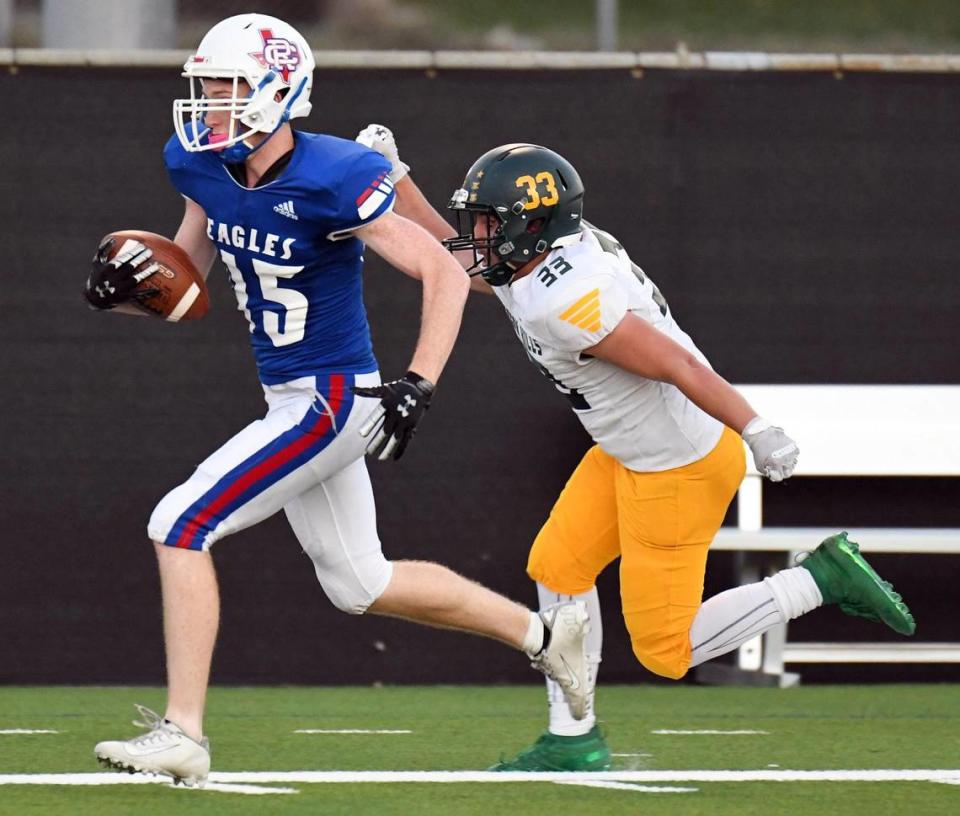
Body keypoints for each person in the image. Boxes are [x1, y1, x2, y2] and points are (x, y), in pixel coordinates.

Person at [85, 15, 591, 787]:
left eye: (225, 88)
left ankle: (183, 731)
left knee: (179, 524)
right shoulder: (196, 162)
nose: (208, 104)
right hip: (289, 395)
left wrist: (418, 381)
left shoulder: (332, 174)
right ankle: (546, 633)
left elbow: (446, 271)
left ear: (277, 93)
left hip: (331, 399)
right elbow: (188, 269)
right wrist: (130, 290)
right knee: (361, 583)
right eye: (206, 87)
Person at [357, 128, 917, 772]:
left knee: (665, 650)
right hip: (627, 447)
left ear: (530, 228)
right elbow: (462, 258)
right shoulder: (539, 260)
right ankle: (573, 737)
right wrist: (397, 179)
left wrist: (755, 426)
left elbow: (677, 364)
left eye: (488, 224)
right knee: (558, 567)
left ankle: (818, 578)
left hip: (676, 463)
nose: (476, 236)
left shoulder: (565, 300)